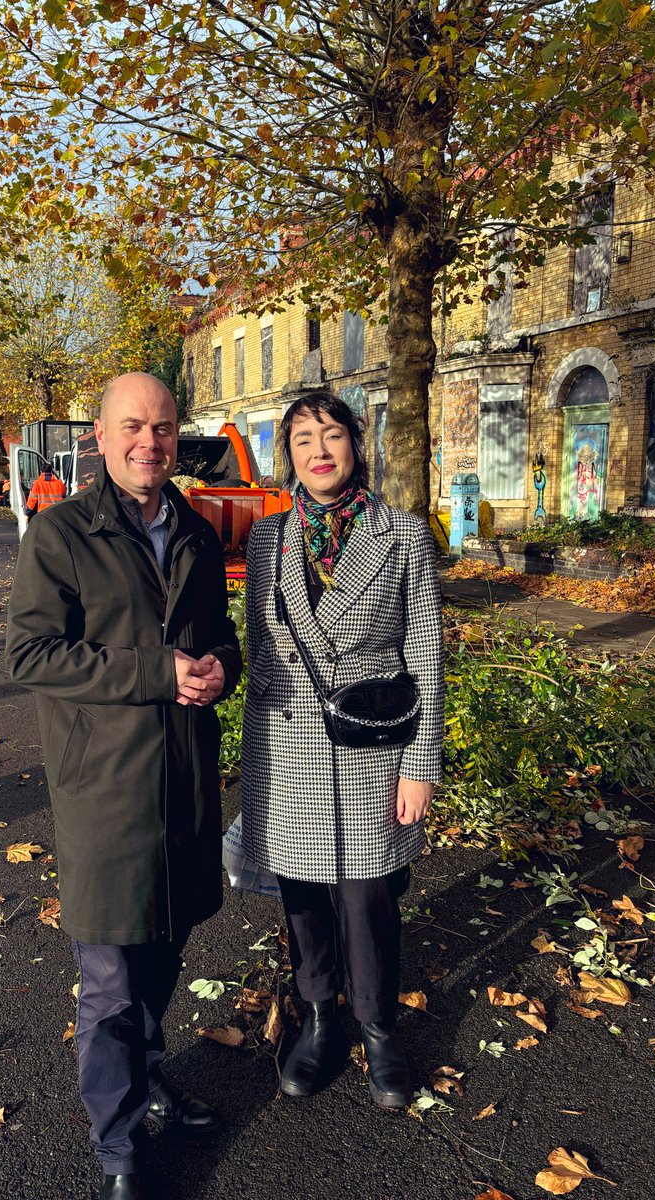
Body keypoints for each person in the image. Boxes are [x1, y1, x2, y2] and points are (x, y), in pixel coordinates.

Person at [6, 372, 242, 1200]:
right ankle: (117, 1147)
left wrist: (221, 670)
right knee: (109, 972)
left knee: (168, 941)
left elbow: (217, 637)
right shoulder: (62, 533)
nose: (151, 443)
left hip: (183, 776)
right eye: (133, 427)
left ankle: (145, 1076)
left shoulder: (197, 530)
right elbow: (29, 654)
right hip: (103, 786)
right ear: (100, 439)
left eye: (166, 429)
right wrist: (155, 672)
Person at [240, 391, 445, 1109]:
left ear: (356, 445)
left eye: (332, 435)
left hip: (372, 743)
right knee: (300, 899)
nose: (319, 450)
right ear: (288, 455)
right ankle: (320, 1016)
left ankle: (379, 1026)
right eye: (303, 440)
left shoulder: (404, 535)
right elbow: (258, 648)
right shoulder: (267, 539)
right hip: (287, 743)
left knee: (366, 899)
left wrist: (421, 763)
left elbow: (425, 653)